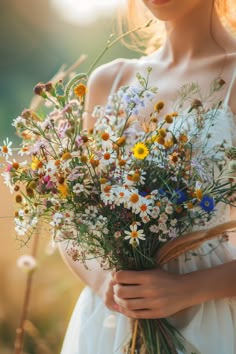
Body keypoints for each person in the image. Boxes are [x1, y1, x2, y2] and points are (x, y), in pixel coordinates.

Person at [60, 1, 236, 353]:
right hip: (110, 324)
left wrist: (188, 289)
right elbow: (70, 217)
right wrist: (104, 283)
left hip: (206, 319)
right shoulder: (110, 80)